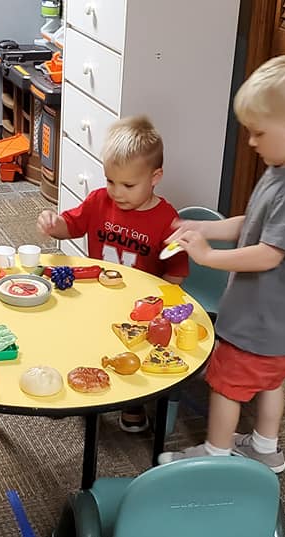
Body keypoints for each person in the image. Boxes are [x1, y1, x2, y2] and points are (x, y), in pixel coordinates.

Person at [157, 55, 285, 473]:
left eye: (257, 133)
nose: (251, 142)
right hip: (284, 322)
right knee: (271, 382)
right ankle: (266, 448)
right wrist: (205, 228)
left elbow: (270, 252)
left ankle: (215, 454)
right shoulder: (284, 171)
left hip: (261, 320)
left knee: (227, 384)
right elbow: (251, 223)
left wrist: (209, 257)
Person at [37, 115, 188, 432]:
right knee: (85, 338)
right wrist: (54, 224)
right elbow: (71, 225)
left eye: (128, 185)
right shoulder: (98, 201)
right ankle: (83, 383)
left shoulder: (166, 219)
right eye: (110, 181)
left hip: (140, 306)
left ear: (155, 177)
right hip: (96, 294)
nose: (117, 192)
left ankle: (132, 403)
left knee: (132, 352)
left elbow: (176, 271)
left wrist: (161, 306)